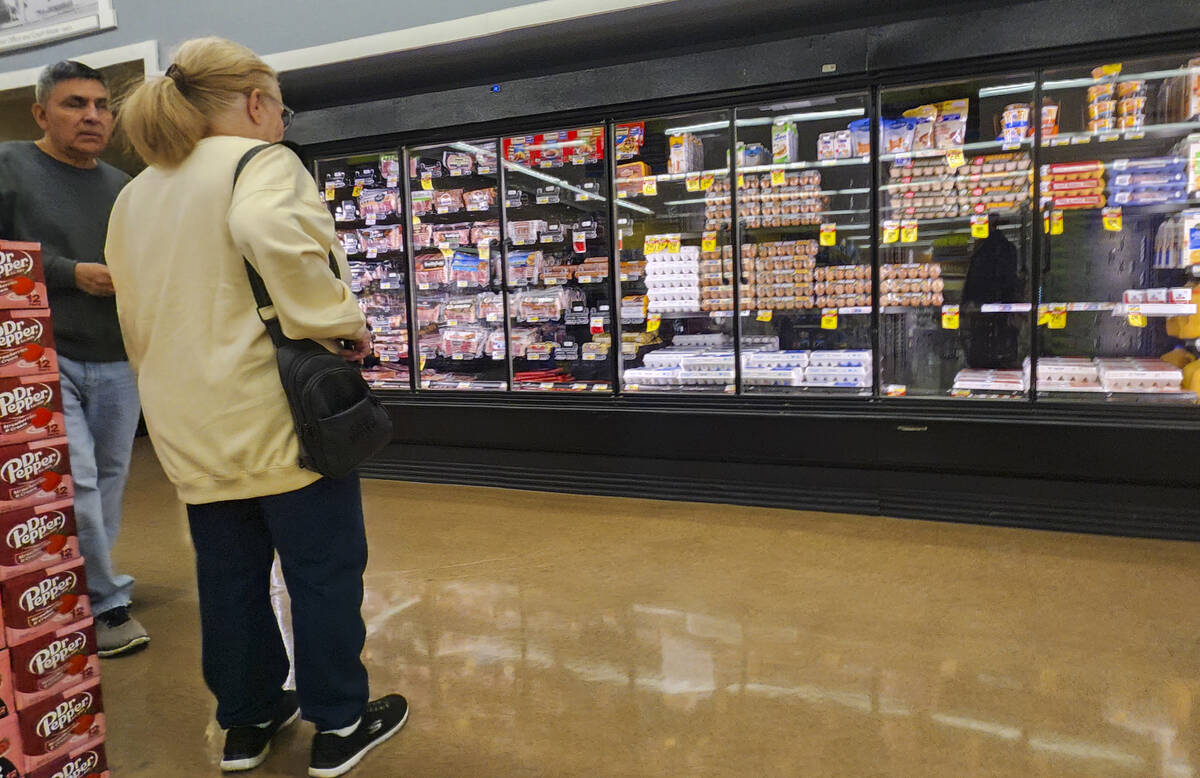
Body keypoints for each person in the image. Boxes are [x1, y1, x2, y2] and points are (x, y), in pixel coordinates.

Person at [104, 38, 407, 777]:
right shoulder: (259, 161)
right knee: (323, 570)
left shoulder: (134, 192)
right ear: (255, 102)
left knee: (229, 578)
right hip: (277, 414)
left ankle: (246, 719)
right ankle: (338, 725)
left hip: (186, 420)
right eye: (279, 104)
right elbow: (267, 233)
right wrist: (341, 323)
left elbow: (134, 314)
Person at [0, 61, 149, 658]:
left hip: (118, 356)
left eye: (100, 105)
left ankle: (82, 582)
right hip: (41, 356)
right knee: (77, 478)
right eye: (73, 104)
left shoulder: (121, 185)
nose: (91, 116)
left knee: (109, 477)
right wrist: (66, 273)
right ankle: (108, 601)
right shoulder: (9, 166)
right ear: (41, 113)